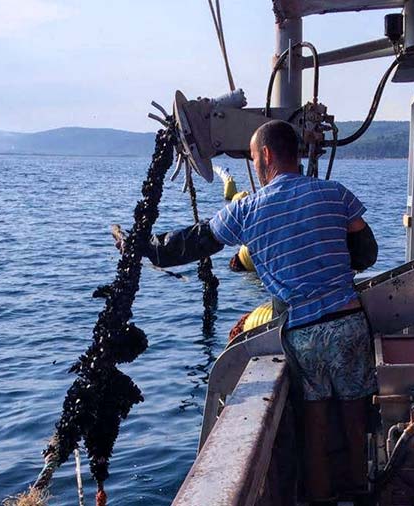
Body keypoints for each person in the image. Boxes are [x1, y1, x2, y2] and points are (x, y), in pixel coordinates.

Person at [137, 120, 378, 504]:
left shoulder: (247, 209)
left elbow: (193, 243)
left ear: (265, 155)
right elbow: (367, 253)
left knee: (315, 426)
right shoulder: (336, 193)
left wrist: (143, 246)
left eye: (253, 158)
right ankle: (364, 496)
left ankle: (322, 501)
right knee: (355, 419)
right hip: (347, 321)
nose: (254, 166)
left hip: (303, 332)